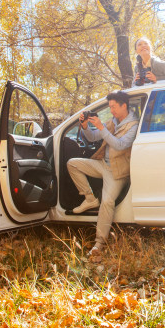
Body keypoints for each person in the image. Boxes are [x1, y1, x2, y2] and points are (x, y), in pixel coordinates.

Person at [67, 90, 139, 259]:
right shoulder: (113, 122)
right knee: (72, 164)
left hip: (117, 171)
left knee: (107, 201)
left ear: (124, 105)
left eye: (113, 107)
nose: (111, 110)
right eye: (110, 107)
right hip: (102, 164)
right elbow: (92, 137)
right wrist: (85, 126)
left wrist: (101, 127)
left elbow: (120, 145)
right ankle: (90, 198)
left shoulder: (133, 125)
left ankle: (99, 243)